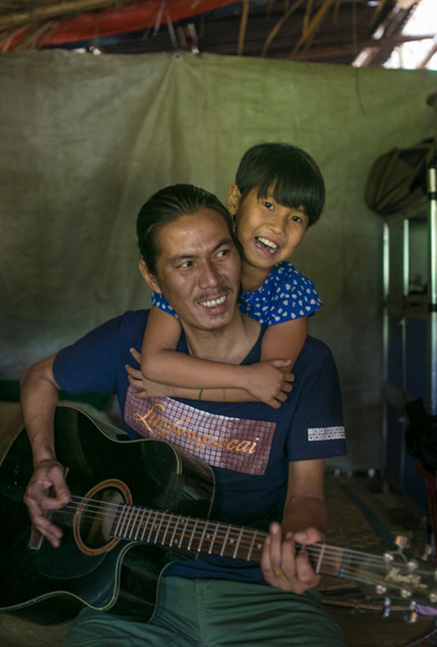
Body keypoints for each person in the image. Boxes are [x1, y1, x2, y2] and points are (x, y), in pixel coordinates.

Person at [20, 184, 348, 645]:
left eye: (221, 253)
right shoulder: (128, 340)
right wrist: (43, 460)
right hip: (129, 589)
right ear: (152, 278)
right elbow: (39, 378)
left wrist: (295, 543)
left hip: (262, 593)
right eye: (185, 263)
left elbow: (307, 496)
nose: (212, 281)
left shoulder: (306, 364)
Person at [132, 143, 325, 409]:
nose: (277, 227)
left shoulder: (292, 292)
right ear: (234, 200)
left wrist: (172, 388)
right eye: (268, 204)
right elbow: (155, 363)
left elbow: (271, 385)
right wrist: (245, 377)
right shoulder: (191, 274)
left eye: (296, 219)